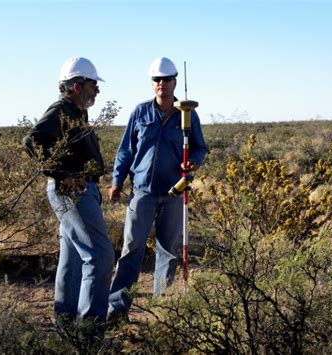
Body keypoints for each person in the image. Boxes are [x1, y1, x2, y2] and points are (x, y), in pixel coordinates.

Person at [108, 57, 208, 318]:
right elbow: (125, 150)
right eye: (157, 79)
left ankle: (162, 310)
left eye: (166, 79)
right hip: (142, 192)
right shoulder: (140, 113)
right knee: (131, 250)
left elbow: (200, 147)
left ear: (175, 81)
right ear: (152, 83)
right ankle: (117, 308)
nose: (161, 83)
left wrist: (193, 163)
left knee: (168, 251)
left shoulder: (187, 114)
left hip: (174, 192)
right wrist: (117, 181)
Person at [22, 57, 115, 324]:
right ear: (77, 85)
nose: (97, 90)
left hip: (77, 193)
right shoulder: (61, 110)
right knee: (100, 256)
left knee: (73, 259)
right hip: (72, 194)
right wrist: (62, 175)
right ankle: (88, 333)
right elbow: (32, 141)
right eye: (93, 84)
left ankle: (66, 330)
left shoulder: (76, 112)